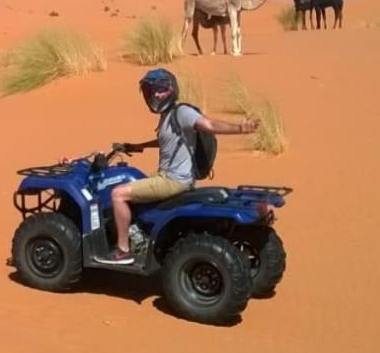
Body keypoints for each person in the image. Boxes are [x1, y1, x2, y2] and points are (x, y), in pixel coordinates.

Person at [97, 68, 259, 265]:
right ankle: (137, 234)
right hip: (171, 178)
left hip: (172, 180)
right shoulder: (168, 116)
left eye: (157, 90)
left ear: (169, 89)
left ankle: (123, 250)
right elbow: (167, 141)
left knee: (118, 194)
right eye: (149, 92)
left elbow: (208, 125)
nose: (153, 96)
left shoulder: (182, 112)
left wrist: (241, 128)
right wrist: (138, 146)